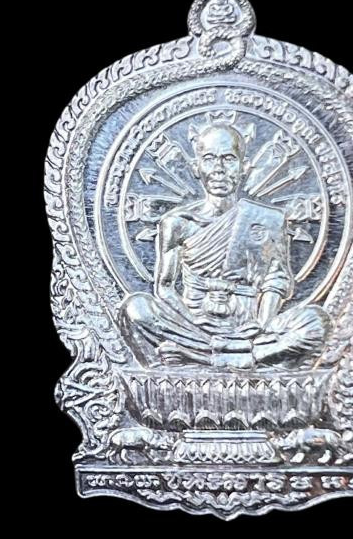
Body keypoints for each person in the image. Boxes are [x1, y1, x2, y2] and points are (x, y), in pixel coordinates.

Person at [119, 119, 329, 370]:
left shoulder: (268, 219)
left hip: (251, 328)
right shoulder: (177, 223)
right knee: (136, 309)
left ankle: (206, 357)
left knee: (315, 322)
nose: (219, 169)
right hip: (193, 326)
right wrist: (194, 322)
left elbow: (276, 280)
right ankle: (232, 355)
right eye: (209, 159)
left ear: (244, 167)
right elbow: (164, 288)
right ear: (196, 167)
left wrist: (261, 325)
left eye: (228, 159)